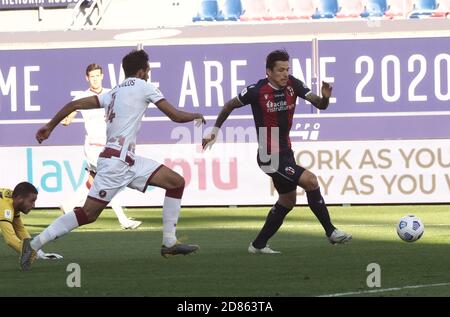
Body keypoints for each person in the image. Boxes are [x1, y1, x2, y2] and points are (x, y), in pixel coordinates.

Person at [21, 50, 204, 271]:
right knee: (87, 214)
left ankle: (169, 242)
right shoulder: (144, 86)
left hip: (128, 160)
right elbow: (175, 115)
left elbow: (73, 105)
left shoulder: (113, 92)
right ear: (141, 71)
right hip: (116, 163)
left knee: (176, 182)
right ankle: (33, 244)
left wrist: (50, 126)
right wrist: (197, 115)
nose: (148, 74)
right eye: (147, 70)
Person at [202, 49, 352, 254]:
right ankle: (331, 232)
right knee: (310, 180)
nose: (285, 74)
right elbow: (229, 105)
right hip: (268, 155)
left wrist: (325, 98)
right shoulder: (256, 90)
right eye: (280, 70)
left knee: (287, 201)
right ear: (269, 72)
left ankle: (258, 245)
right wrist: (214, 130)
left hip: (285, 152)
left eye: (287, 69)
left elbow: (319, 104)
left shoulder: (294, 85)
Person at [61, 63, 141, 230]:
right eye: (92, 76)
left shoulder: (111, 93)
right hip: (93, 146)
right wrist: (65, 120)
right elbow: (70, 114)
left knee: (93, 182)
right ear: (87, 78)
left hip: (109, 144)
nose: (95, 79)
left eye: (98, 75)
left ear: (102, 76)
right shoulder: (82, 97)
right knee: (112, 178)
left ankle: (68, 204)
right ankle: (123, 220)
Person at [0, 182, 63, 261]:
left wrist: (39, 252)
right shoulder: (5, 207)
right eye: (32, 201)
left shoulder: (14, 202)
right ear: (19, 199)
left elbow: (20, 230)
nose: (34, 206)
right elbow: (10, 239)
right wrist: (29, 252)